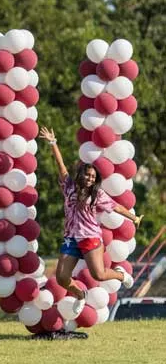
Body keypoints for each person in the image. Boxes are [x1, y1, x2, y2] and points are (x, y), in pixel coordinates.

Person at [39, 127, 143, 315]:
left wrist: (133, 217)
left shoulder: (97, 194)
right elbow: (61, 167)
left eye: (93, 177)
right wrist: (53, 143)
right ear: (81, 175)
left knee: (99, 274)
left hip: (90, 237)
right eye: (87, 175)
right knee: (62, 278)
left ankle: (120, 274)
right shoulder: (69, 187)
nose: (89, 178)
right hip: (71, 238)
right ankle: (81, 295)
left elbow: (117, 207)